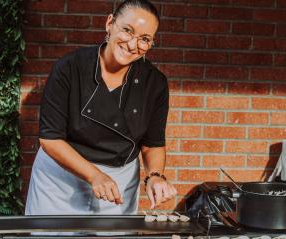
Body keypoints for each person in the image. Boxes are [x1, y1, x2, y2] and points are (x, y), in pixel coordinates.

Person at [25, 0, 177, 215]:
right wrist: (94, 175)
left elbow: (152, 143)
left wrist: (155, 176)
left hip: (117, 185)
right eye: (127, 30)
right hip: (60, 183)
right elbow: (50, 138)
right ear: (109, 23)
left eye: (144, 39)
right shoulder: (70, 68)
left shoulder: (155, 83)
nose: (133, 45)